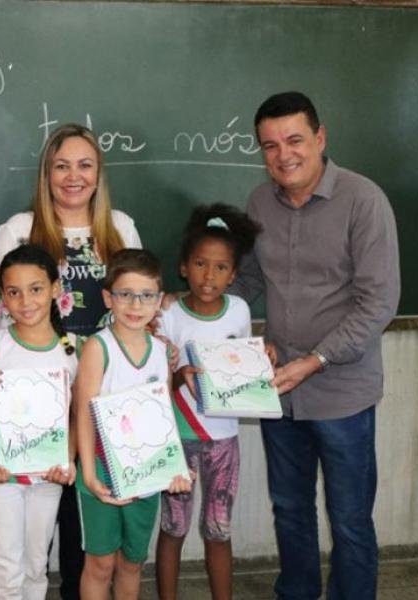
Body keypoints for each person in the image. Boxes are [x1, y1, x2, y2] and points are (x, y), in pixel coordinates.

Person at [230, 91, 400, 600]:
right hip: (278, 392)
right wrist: (194, 312)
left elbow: (378, 303)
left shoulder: (364, 200)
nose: (284, 155)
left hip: (343, 395)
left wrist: (315, 360)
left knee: (349, 520)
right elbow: (247, 281)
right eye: (270, 145)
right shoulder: (259, 203)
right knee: (289, 509)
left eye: (295, 140)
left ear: (320, 138)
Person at [0, 124, 143, 598]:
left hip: (101, 394)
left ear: (99, 173)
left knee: (85, 534)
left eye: (84, 165)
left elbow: (137, 300)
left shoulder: (120, 228)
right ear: (46, 174)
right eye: (61, 166)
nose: (73, 176)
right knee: (32, 539)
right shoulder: (18, 230)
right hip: (34, 400)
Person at [154, 204, 262, 600]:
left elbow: (242, 373)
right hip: (179, 436)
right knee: (174, 527)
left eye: (220, 268)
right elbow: (156, 383)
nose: (209, 276)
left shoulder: (239, 311)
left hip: (223, 439)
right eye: (200, 264)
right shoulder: (168, 314)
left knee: (219, 529)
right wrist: (180, 375)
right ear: (184, 267)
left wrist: (260, 367)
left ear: (233, 275)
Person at [75, 249, 191, 600]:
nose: (136, 305)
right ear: (108, 298)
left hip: (146, 474)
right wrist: (89, 475)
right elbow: (84, 413)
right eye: (125, 294)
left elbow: (164, 416)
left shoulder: (161, 351)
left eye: (146, 295)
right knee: (100, 565)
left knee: (132, 562)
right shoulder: (98, 347)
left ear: (159, 301)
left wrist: (175, 466)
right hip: (102, 472)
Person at [0, 244, 78, 600]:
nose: (26, 301)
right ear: (2, 297)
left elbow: (77, 415)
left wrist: (67, 458)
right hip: (2, 478)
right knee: (6, 570)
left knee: (36, 566)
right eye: (14, 292)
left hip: (47, 476)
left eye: (36, 289)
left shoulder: (73, 348)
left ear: (55, 289)